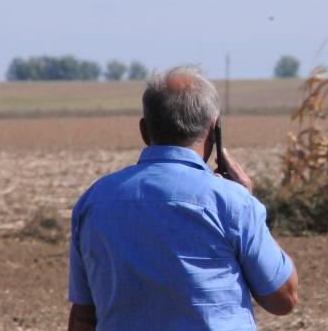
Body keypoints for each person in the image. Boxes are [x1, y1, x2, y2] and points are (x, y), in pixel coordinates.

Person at [67, 66, 298, 331]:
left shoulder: (94, 202)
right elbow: (284, 298)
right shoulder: (233, 202)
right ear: (215, 130)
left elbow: (84, 317)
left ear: (144, 131)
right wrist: (247, 202)